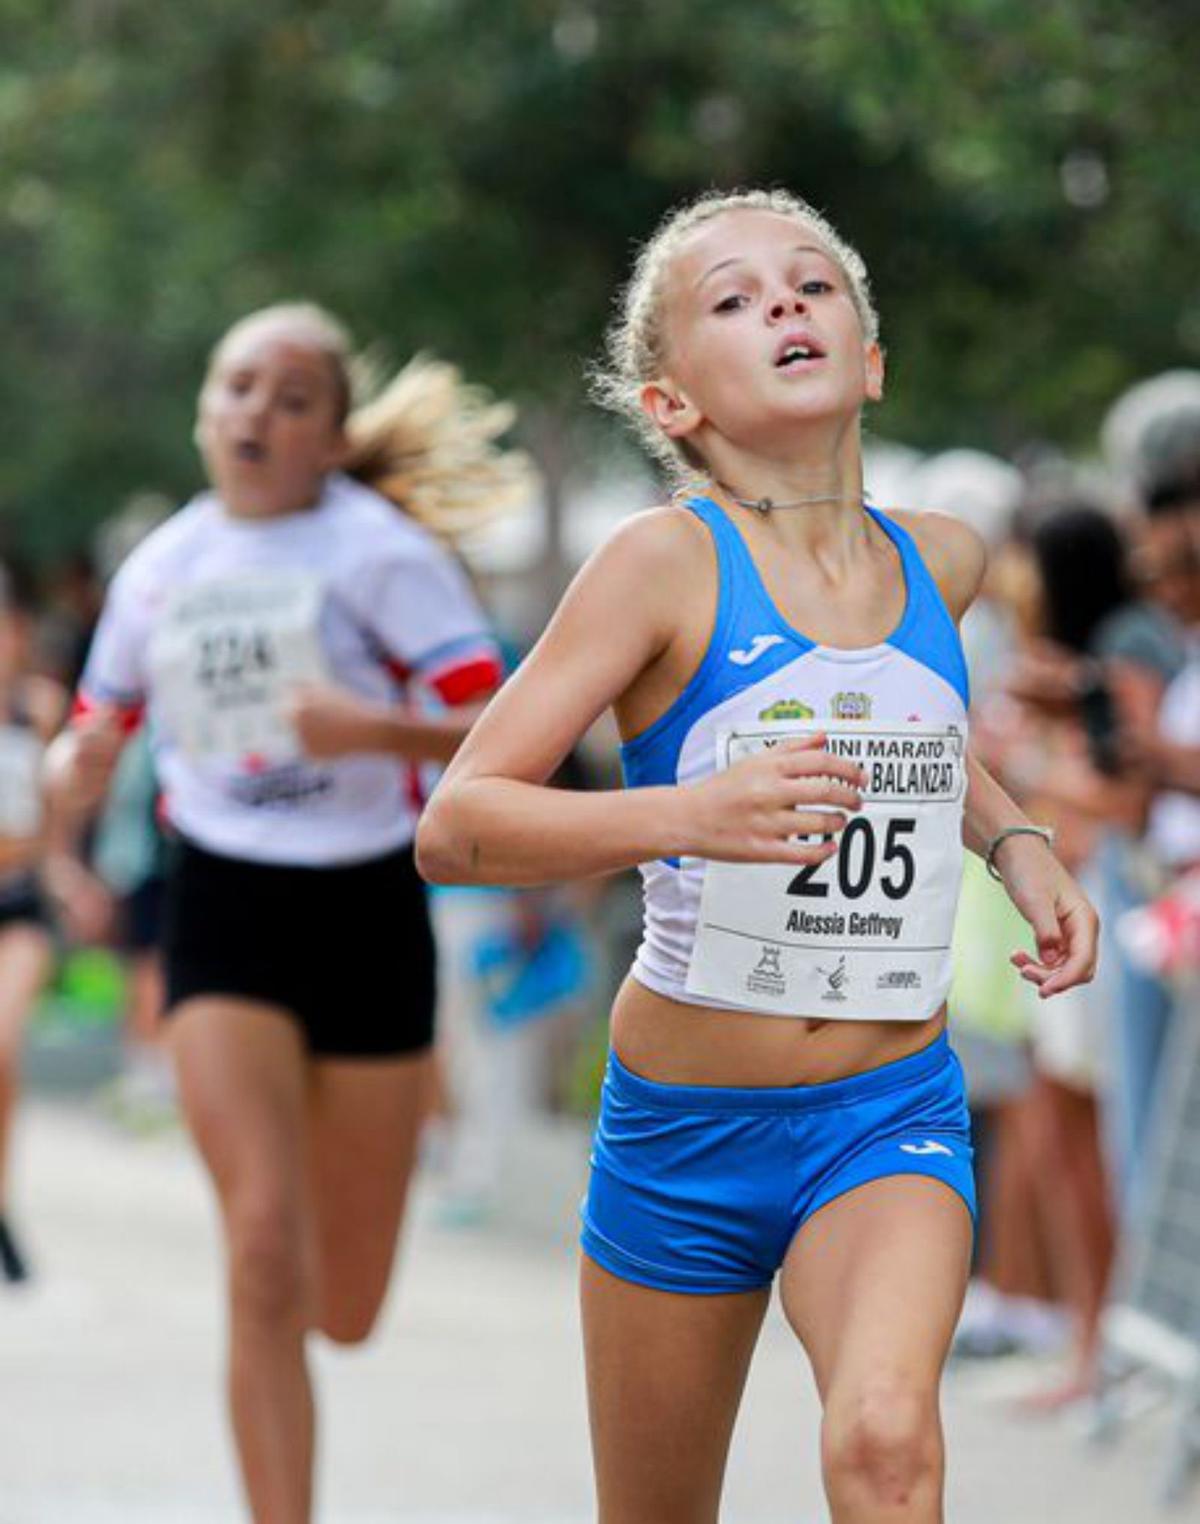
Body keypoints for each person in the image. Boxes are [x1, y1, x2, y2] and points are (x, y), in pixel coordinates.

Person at [417, 189, 1099, 1524]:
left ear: (872, 357)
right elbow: (460, 824)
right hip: (685, 1129)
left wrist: (1018, 842)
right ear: (674, 404)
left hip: (885, 1111)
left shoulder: (943, 563)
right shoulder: (657, 569)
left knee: (888, 1445)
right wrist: (684, 814)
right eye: (733, 298)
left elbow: (916, 732)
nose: (783, 303)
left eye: (812, 284)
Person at [45, 302, 529, 1524]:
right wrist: (71, 790)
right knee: (261, 1247)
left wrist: (374, 729)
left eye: (292, 397)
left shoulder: (382, 558)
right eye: (236, 387)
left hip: (369, 905)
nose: (257, 412)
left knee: (345, 1309)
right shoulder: (163, 569)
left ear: (330, 435)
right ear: (205, 411)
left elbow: (508, 728)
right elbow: (90, 737)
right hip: (222, 904)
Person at [0, 558, 68, 1283]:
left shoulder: (40, 708)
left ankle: (2, 1200)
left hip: (19, 903)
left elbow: (55, 820)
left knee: (2, 1045)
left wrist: (64, 869)